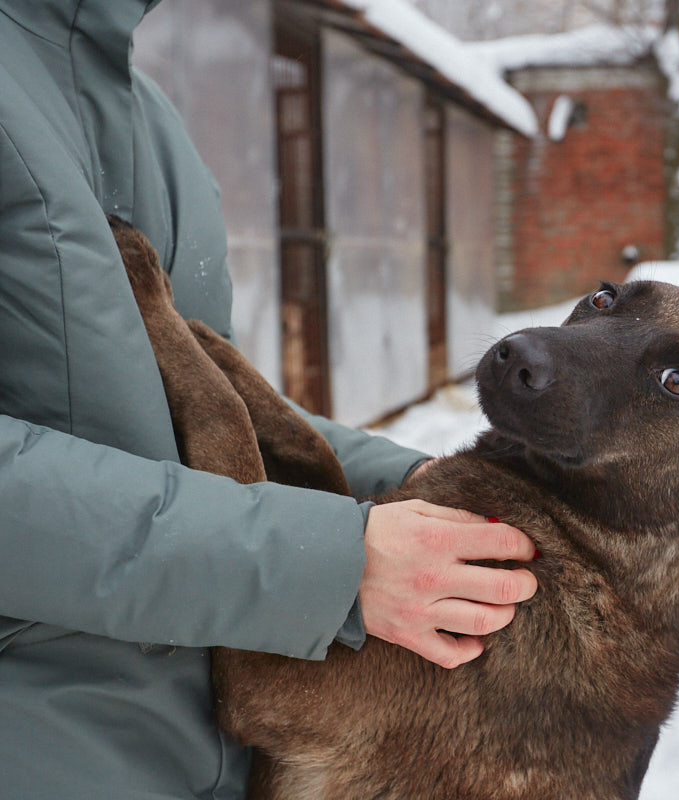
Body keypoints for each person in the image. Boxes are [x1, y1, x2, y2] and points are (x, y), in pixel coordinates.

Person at [0, 0, 537, 797]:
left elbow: (206, 404)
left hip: (220, 760)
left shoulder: (148, 116)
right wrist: (327, 566)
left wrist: (417, 484)